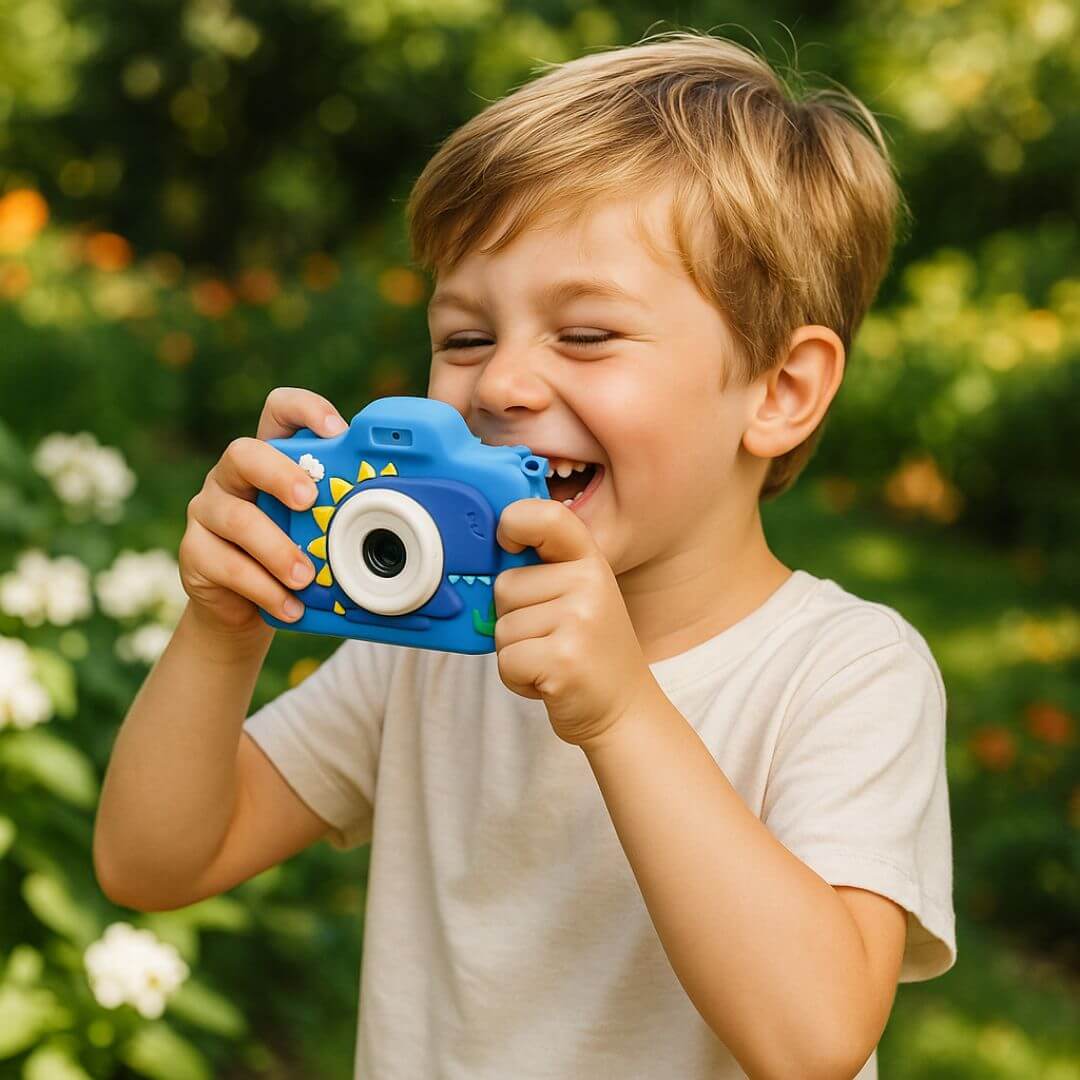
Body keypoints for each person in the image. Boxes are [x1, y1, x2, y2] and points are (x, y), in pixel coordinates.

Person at [93, 28, 956, 1080]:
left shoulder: (844, 670)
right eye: (464, 337)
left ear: (778, 392)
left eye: (585, 335)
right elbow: (152, 859)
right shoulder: (430, 639)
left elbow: (814, 1037)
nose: (500, 385)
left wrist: (622, 711)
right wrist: (224, 630)